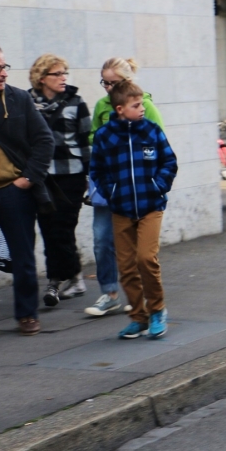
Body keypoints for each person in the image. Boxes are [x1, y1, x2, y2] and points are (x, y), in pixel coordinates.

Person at [90, 79, 177, 339]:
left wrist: (158, 185)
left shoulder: (151, 130)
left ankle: (157, 310)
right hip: (121, 209)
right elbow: (97, 170)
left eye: (141, 104)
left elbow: (169, 161)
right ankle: (138, 318)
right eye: (136, 105)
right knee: (126, 266)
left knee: (145, 259)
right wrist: (112, 192)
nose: (142, 108)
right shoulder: (106, 136)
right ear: (120, 109)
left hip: (151, 206)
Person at [86, 58, 163, 317]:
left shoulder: (146, 107)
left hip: (140, 191)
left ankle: (141, 299)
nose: (107, 88)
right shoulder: (101, 106)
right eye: (104, 83)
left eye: (113, 83)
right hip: (110, 188)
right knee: (101, 240)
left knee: (139, 253)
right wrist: (104, 137)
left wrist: (155, 184)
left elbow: (160, 144)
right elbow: (92, 136)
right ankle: (109, 293)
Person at [0, 46, 56, 335]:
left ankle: (27, 314)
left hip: (13, 190)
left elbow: (45, 141)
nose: (3, 72)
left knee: (22, 255)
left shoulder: (18, 99)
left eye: (4, 66)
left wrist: (28, 179)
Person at [29, 54, 91, 307]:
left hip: (71, 176)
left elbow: (85, 141)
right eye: (57, 73)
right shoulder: (26, 102)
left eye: (65, 72)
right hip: (41, 176)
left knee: (62, 228)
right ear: (42, 78)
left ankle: (54, 281)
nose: (63, 77)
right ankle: (75, 276)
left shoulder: (77, 103)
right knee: (48, 228)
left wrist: (90, 177)